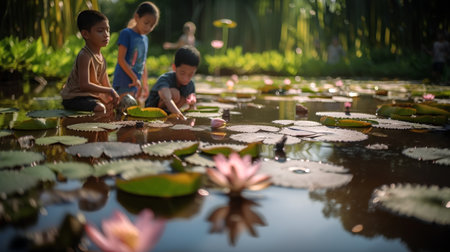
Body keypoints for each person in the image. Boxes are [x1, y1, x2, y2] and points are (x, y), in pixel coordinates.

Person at [61, 10, 119, 113]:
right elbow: (84, 85)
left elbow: (106, 84)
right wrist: (109, 91)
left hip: (90, 97)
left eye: (107, 30)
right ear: (85, 34)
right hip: (74, 98)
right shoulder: (85, 55)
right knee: (100, 108)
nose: (106, 35)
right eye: (100, 31)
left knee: (113, 105)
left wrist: (111, 97)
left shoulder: (102, 58)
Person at [113, 1, 160, 103]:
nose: (148, 28)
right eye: (146, 23)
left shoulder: (145, 39)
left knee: (132, 111)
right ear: (137, 17)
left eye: (152, 25)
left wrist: (145, 83)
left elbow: (143, 62)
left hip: (136, 83)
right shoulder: (126, 33)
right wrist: (134, 78)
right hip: (124, 81)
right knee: (122, 109)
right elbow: (121, 59)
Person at [145, 45, 200, 119]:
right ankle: (173, 114)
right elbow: (167, 99)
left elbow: (192, 107)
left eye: (190, 74)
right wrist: (181, 117)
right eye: (182, 73)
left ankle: (172, 114)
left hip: (172, 111)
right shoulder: (165, 79)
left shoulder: (190, 85)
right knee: (174, 93)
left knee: (186, 95)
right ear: (174, 68)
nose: (185, 78)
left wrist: (192, 104)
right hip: (153, 109)